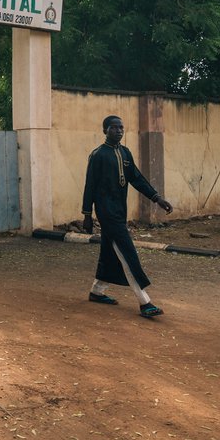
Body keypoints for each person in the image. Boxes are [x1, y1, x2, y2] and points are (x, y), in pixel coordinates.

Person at [82, 115, 174, 318]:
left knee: (110, 250)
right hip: (106, 212)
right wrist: (87, 215)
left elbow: (137, 179)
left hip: (120, 210)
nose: (119, 131)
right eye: (114, 128)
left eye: (121, 128)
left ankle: (97, 291)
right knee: (126, 252)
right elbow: (90, 185)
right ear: (105, 130)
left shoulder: (125, 153)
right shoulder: (98, 155)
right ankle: (144, 302)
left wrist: (157, 198)